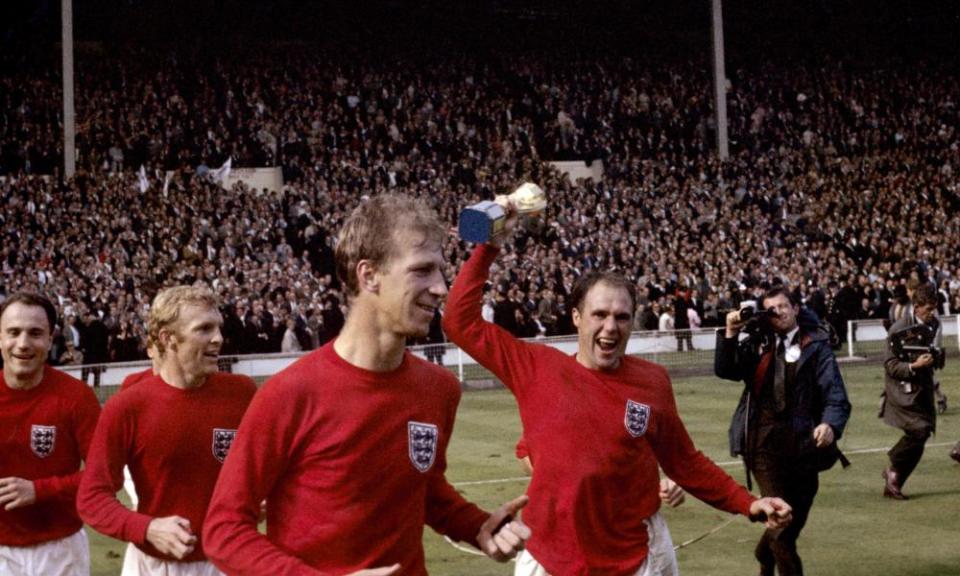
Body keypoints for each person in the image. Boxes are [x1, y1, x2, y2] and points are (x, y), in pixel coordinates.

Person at [443, 196, 792, 576]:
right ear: (577, 317)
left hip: (637, 559)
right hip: (549, 557)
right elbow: (459, 322)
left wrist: (749, 503)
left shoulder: (652, 381)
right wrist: (489, 246)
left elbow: (685, 461)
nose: (611, 328)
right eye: (600, 315)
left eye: (622, 317)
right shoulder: (536, 365)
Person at [203, 194, 529, 576]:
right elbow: (223, 528)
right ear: (369, 275)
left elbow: (424, 491)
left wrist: (476, 526)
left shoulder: (439, 388)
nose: (441, 287)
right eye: (422, 270)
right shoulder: (291, 393)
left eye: (441, 271)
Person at [77, 286, 257, 575]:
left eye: (218, 327)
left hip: (228, 561)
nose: (218, 338)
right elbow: (92, 498)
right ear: (168, 339)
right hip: (155, 564)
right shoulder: (126, 406)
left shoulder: (242, 393)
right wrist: (147, 527)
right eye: (204, 329)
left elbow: (270, 463)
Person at [715, 286, 851, 576]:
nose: (778, 312)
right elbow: (726, 369)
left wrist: (830, 424)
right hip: (762, 444)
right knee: (780, 522)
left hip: (804, 445)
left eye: (783, 305)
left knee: (787, 526)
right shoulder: (758, 342)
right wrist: (730, 331)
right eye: (771, 308)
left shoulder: (815, 344)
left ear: (796, 308)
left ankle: (763, 553)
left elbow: (835, 394)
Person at [0, 292, 102, 576]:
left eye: (35, 333)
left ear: (50, 337)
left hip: (60, 551)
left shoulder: (76, 397)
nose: (23, 344)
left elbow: (105, 475)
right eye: (13, 332)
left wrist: (39, 490)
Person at [879, 283, 943, 499]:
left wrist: (936, 357)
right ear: (916, 307)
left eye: (934, 309)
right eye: (928, 309)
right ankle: (894, 467)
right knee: (920, 430)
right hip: (901, 391)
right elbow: (889, 364)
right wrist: (914, 366)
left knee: (922, 433)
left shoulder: (933, 324)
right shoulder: (898, 329)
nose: (932, 313)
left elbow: (930, 350)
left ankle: (893, 478)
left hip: (923, 387)